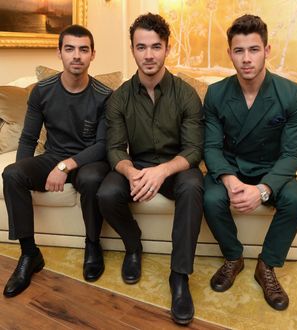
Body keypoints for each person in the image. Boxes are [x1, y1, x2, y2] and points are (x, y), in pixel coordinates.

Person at [97, 13, 203, 325]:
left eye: (156, 47)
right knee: (105, 192)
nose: (149, 55)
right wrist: (131, 172)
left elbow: (194, 150)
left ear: (167, 49)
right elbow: (115, 148)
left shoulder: (186, 94)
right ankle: (133, 246)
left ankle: (179, 276)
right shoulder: (119, 98)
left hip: (176, 168)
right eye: (141, 47)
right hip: (138, 166)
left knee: (194, 185)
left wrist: (163, 172)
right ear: (132, 50)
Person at [203, 14, 297, 311]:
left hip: (272, 167)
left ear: (267, 51)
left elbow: (291, 154)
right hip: (231, 166)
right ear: (230, 54)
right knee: (209, 197)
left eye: (253, 50)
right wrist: (228, 179)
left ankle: (267, 265)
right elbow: (210, 146)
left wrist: (262, 189)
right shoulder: (216, 93)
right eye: (239, 51)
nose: (246, 59)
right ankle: (233, 258)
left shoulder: (290, 94)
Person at [2, 25, 111, 298]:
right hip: (51, 155)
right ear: (59, 53)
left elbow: (102, 146)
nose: (77, 56)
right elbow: (28, 139)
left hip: (89, 160)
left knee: (91, 178)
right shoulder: (42, 91)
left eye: (83, 49)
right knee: (12, 174)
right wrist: (25, 174)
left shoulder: (104, 95)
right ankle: (29, 255)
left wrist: (65, 166)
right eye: (70, 49)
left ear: (92, 55)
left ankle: (93, 244)